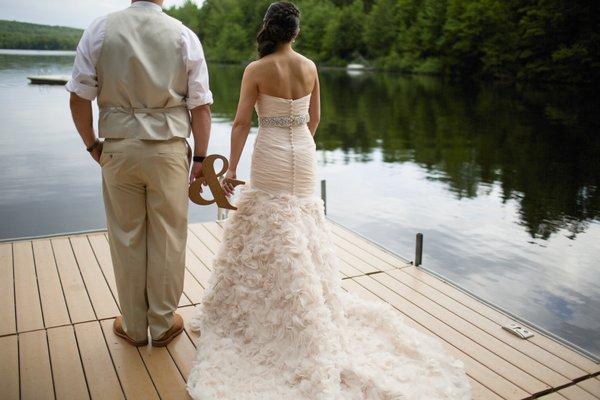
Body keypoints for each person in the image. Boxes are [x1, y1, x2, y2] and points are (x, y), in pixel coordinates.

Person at [186, 2, 471, 399]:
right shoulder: (310, 67)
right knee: (302, 223)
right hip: (303, 151)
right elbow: (314, 119)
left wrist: (232, 171)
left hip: (270, 152)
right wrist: (301, 143)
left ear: (268, 29)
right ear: (296, 32)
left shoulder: (256, 70)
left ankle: (268, 314)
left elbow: (240, 123)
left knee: (268, 220)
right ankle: (312, 305)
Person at [67, 0, 212, 347]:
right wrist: (201, 159)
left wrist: (92, 146)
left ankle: (133, 325)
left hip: (118, 148)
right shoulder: (183, 35)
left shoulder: (99, 30)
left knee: (126, 235)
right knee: (168, 234)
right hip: (169, 151)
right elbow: (201, 107)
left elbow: (78, 97)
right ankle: (162, 325)